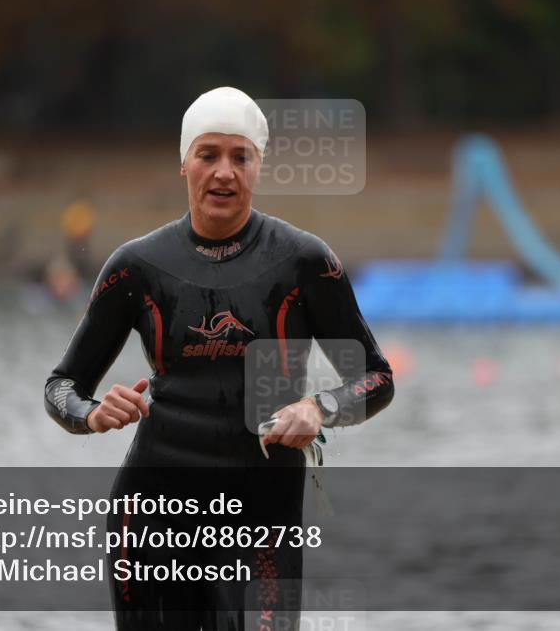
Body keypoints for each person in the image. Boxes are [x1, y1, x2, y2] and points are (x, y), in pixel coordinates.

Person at [44, 87, 394, 630]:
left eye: (240, 157)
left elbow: (378, 378)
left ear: (260, 165)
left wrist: (319, 407)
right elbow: (61, 385)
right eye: (208, 155)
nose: (224, 173)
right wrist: (91, 414)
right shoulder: (135, 267)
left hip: (262, 523)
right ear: (184, 163)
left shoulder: (304, 262)